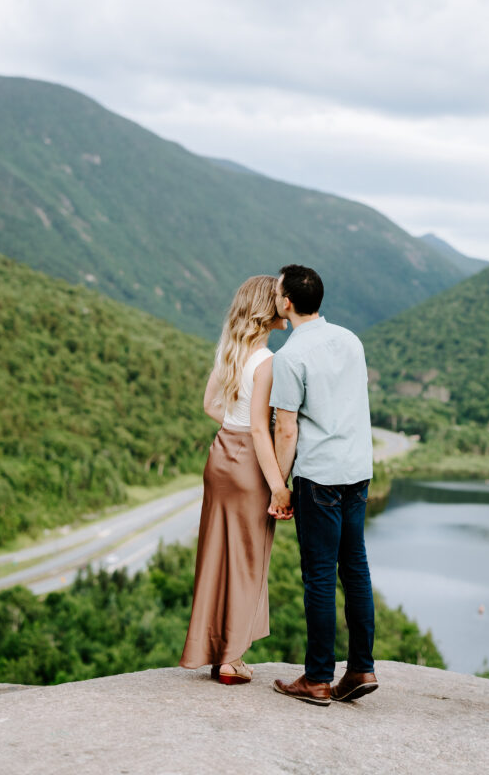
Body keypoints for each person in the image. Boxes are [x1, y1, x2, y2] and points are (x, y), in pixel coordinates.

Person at [269, 264, 378, 706]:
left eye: (278, 291)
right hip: (358, 469)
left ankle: (316, 678)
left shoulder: (289, 356)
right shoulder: (350, 340)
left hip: (319, 477)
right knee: (355, 569)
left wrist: (279, 485)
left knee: (318, 576)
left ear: (287, 302)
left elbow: (286, 430)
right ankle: (360, 669)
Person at [179, 275, 292, 685]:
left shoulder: (231, 351)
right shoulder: (267, 362)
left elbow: (210, 404)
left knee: (215, 557)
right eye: (279, 298)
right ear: (269, 307)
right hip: (248, 465)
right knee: (247, 560)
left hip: (220, 457)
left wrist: (235, 424)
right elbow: (262, 431)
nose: (285, 303)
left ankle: (209, 648)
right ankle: (230, 659)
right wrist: (279, 485)